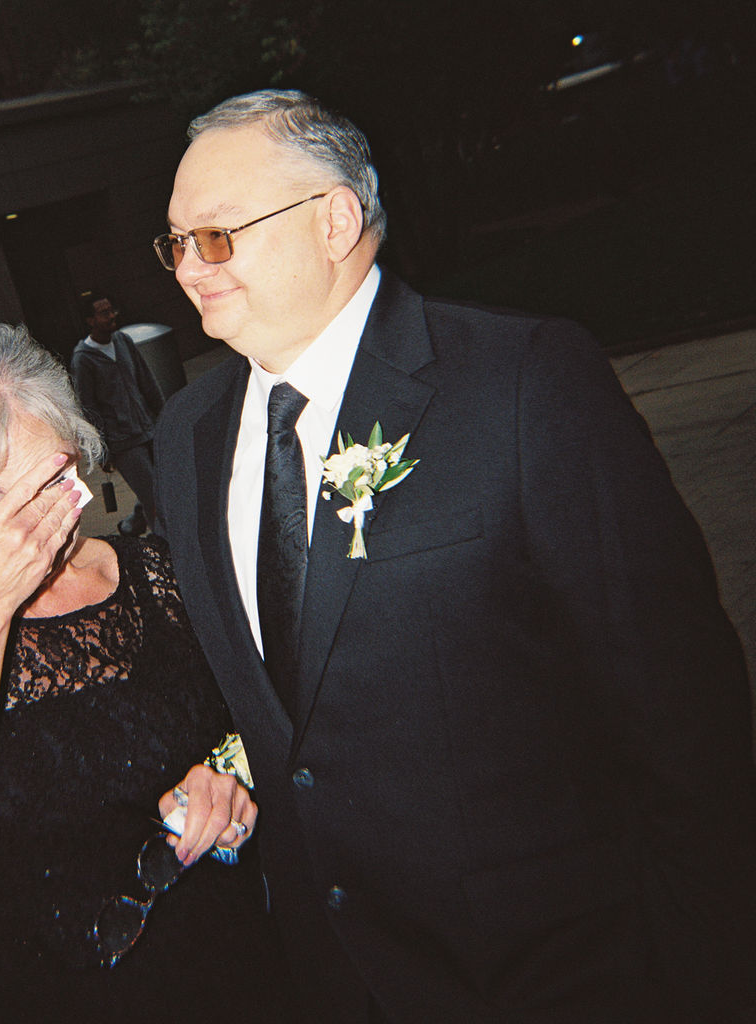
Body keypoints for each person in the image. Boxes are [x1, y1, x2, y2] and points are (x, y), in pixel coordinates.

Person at [151, 89, 756, 1022]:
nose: (190, 268)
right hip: (335, 982)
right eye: (176, 242)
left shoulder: (520, 383)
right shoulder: (186, 436)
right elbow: (285, 695)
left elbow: (683, 712)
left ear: (335, 220)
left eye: (219, 235)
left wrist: (703, 972)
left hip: (554, 977)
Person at [0, 324, 296, 1024]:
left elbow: (274, 727)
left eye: (47, 484)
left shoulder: (159, 575)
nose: (26, 527)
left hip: (235, 971)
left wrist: (231, 782)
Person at [70, 291, 164, 535]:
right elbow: (89, 409)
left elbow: (146, 380)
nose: (111, 316)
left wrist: (163, 415)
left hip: (147, 428)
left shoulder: (122, 341)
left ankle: (132, 524)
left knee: (162, 485)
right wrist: (102, 451)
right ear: (90, 321)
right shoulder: (84, 359)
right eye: (103, 313)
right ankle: (164, 548)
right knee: (155, 498)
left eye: (112, 310)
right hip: (123, 443)